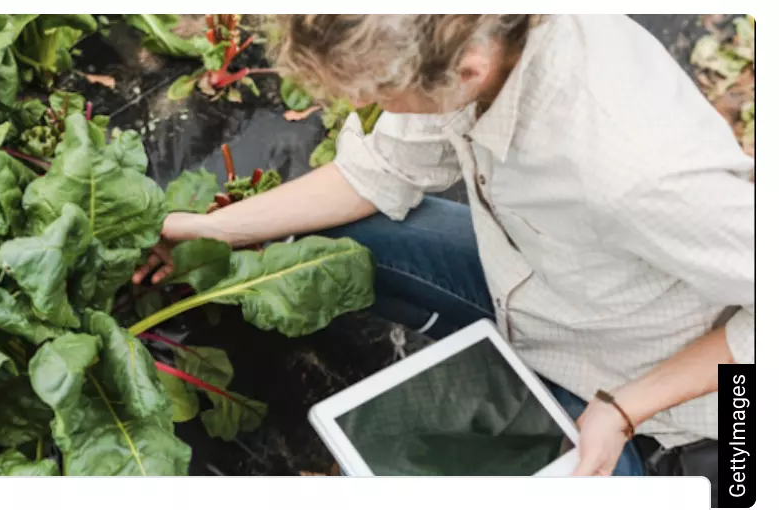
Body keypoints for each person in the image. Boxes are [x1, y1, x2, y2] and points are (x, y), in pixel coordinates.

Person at [132, 14, 754, 494]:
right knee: (328, 246)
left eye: (380, 93)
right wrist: (206, 231)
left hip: (647, 392)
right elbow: (380, 171)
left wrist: (626, 408)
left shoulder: (637, 170)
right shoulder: (460, 33)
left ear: (468, 72)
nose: (368, 107)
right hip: (537, 292)